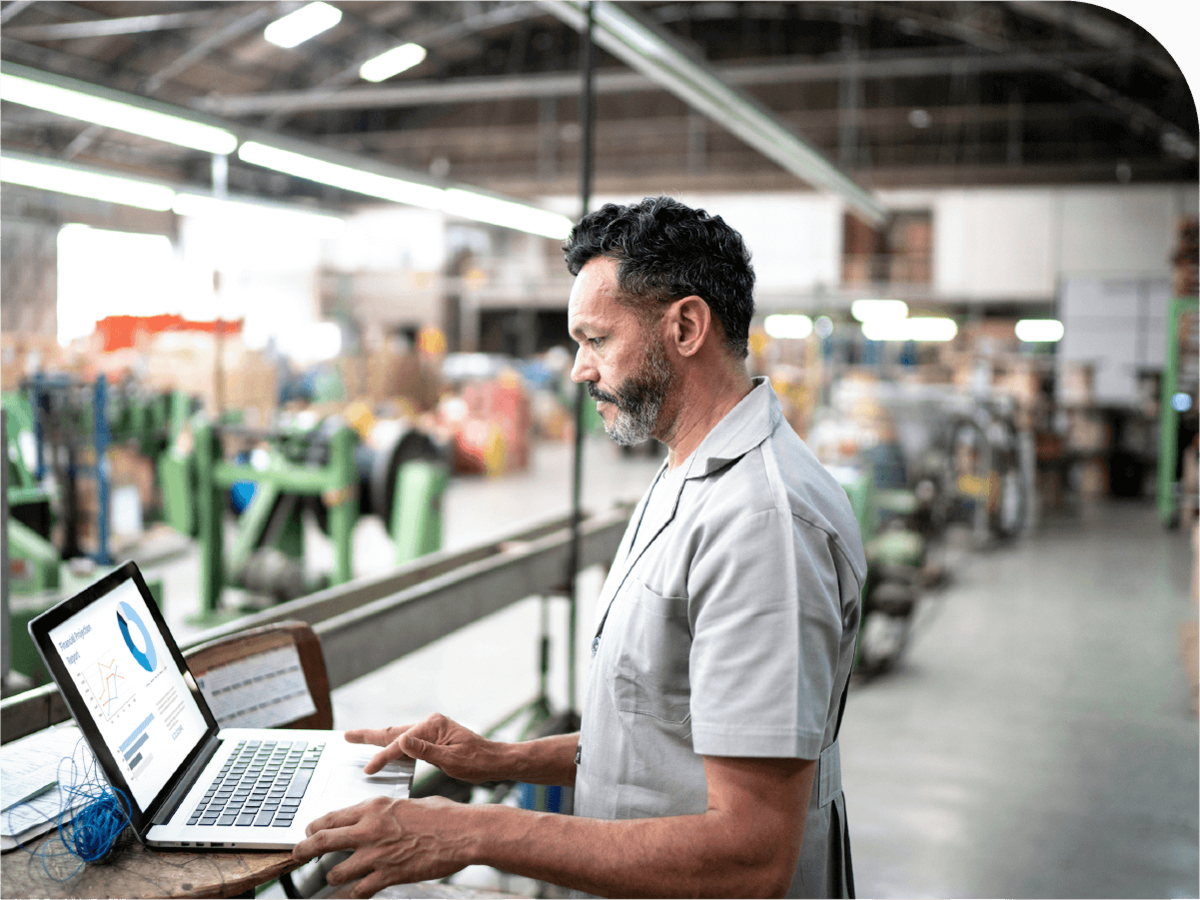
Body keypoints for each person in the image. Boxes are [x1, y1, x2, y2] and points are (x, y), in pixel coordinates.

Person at [293, 196, 866, 899]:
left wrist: (474, 832)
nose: (577, 370)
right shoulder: (688, 469)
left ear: (686, 326)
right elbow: (664, 739)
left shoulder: (761, 522)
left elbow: (752, 855)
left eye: (595, 340)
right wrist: (502, 757)